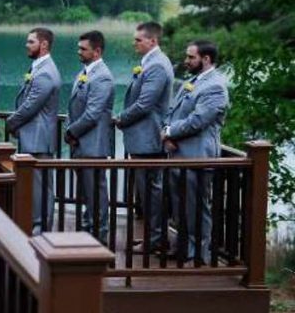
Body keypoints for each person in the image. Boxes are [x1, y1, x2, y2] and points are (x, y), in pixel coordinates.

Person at [162, 40, 228, 263]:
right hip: (178, 155)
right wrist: (167, 133)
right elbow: (171, 111)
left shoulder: (216, 86)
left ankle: (201, 254)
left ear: (206, 59)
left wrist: (171, 131)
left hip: (198, 157)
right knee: (180, 207)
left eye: (191, 57)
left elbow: (198, 120)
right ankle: (183, 247)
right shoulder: (191, 82)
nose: (186, 61)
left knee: (198, 208)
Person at [114, 21, 173, 253]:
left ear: (153, 41)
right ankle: (153, 237)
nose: (134, 43)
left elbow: (145, 103)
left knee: (151, 192)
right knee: (147, 191)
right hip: (143, 138)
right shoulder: (149, 63)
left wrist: (122, 118)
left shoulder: (157, 65)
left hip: (148, 139)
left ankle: (157, 240)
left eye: (138, 40)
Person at [5, 27, 61, 234]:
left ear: (44, 44)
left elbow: (31, 106)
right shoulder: (37, 67)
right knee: (37, 187)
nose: (26, 45)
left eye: (31, 42)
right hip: (33, 136)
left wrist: (11, 123)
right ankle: (35, 224)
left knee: (42, 188)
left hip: (39, 138)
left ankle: (41, 228)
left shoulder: (46, 71)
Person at [64, 31, 115, 243]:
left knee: (96, 193)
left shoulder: (102, 76)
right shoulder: (84, 72)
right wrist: (70, 128)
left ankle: (100, 234)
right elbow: (72, 108)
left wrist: (70, 132)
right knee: (86, 192)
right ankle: (88, 229)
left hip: (93, 145)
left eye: (83, 49)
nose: (79, 52)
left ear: (97, 51)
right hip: (80, 144)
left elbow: (93, 113)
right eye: (79, 48)